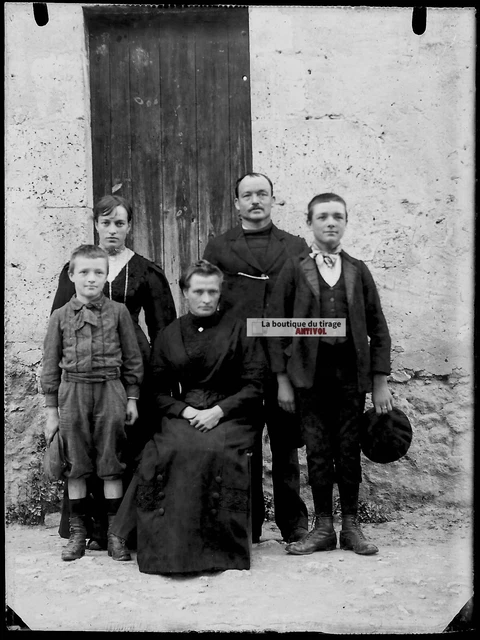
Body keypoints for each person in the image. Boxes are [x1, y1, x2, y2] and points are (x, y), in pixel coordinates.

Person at [110, 260, 265, 574]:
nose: (206, 298)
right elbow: (154, 391)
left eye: (212, 292)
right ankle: (149, 542)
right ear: (185, 293)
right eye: (198, 291)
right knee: (165, 449)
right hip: (188, 411)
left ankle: (214, 549)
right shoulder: (170, 334)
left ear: (220, 294)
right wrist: (186, 410)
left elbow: (255, 385)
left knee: (212, 450)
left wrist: (218, 412)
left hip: (232, 413)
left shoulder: (240, 328)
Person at [268, 193, 393, 556]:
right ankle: (323, 527)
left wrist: (380, 381)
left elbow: (378, 328)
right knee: (319, 452)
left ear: (346, 222)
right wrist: (282, 380)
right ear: (309, 223)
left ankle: (351, 526)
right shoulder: (294, 269)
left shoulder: (358, 269)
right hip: (309, 379)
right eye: (322, 217)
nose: (330, 223)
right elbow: (275, 327)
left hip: (351, 379)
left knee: (349, 451)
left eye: (337, 216)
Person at [51, 195, 176, 551]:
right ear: (96, 225)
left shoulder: (145, 271)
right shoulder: (77, 268)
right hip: (83, 376)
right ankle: (85, 529)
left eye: (119, 223)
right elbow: (58, 325)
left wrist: (157, 380)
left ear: (129, 227)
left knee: (122, 451)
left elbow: (162, 327)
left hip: (129, 375)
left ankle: (124, 530)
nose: (112, 230)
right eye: (105, 222)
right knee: (81, 449)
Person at [203, 172, 309, 544]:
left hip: (283, 362)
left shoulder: (295, 246)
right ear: (236, 203)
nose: (255, 201)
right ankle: (247, 523)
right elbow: (211, 305)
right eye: (247, 195)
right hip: (239, 363)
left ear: (273, 199)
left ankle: (293, 523)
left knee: (285, 445)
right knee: (242, 444)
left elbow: (304, 307)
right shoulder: (218, 248)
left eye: (262, 193)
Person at [40, 244, 144, 562]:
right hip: (72, 393)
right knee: (75, 465)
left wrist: (132, 398)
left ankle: (115, 536)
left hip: (110, 391)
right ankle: (77, 534)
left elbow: (132, 359)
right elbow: (50, 363)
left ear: (106, 275)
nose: (91, 279)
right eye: (84, 272)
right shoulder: (60, 317)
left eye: (98, 272)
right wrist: (50, 411)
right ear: (71, 275)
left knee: (111, 464)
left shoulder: (119, 313)